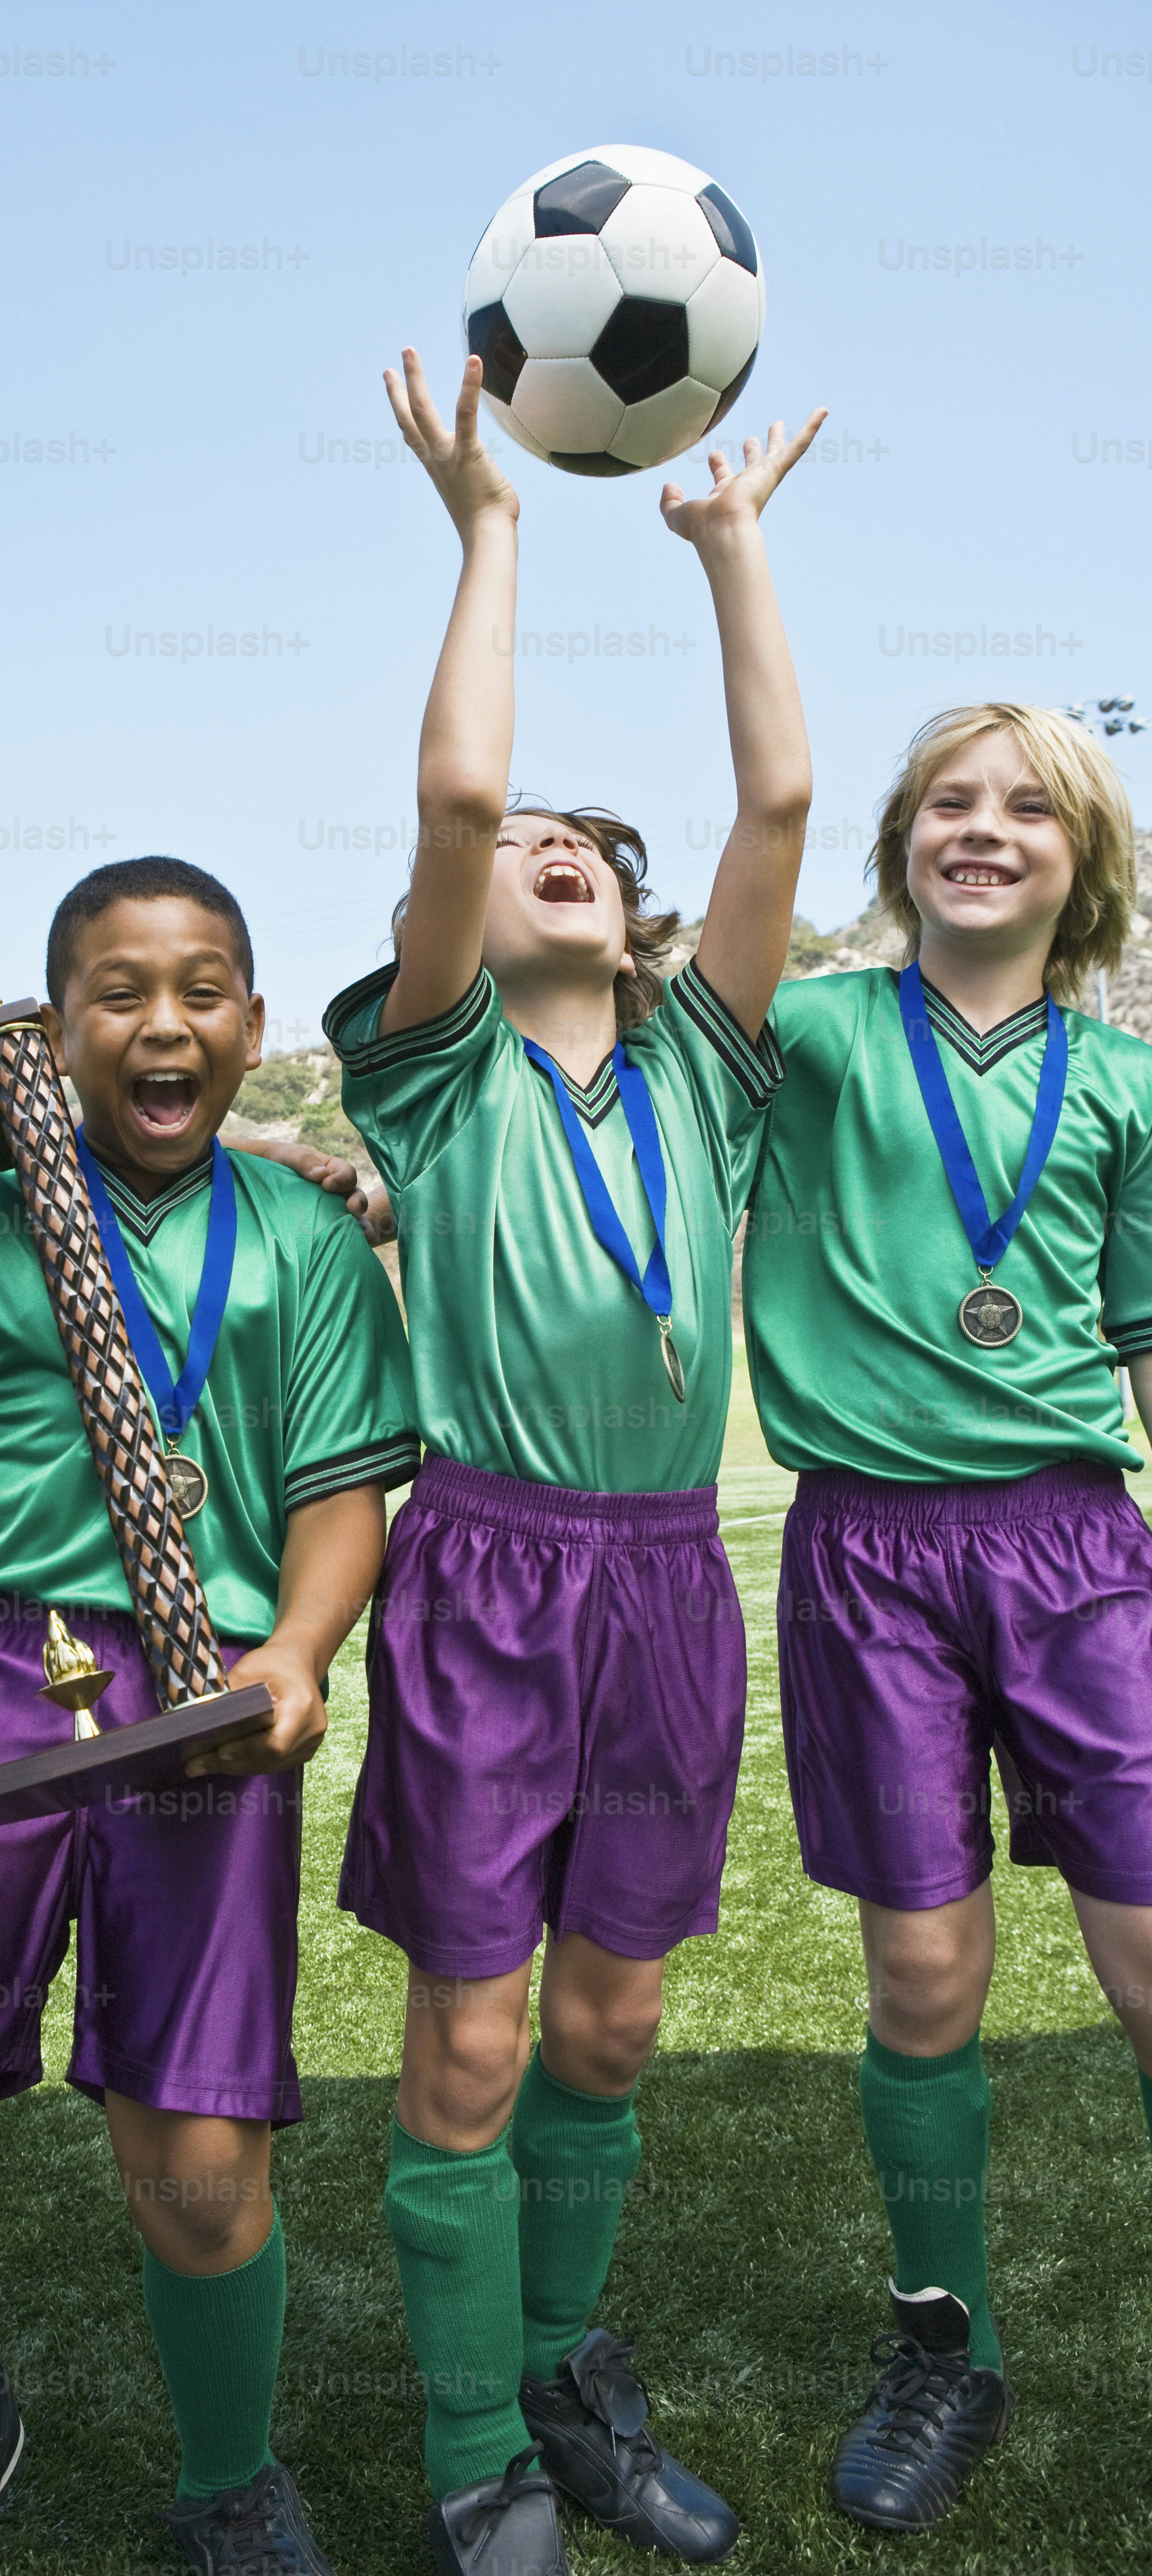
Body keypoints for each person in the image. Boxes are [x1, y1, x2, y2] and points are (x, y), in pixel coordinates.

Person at [0, 855, 422, 2576]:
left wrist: (302, 1652)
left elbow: (344, 1489)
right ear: (51, 1037)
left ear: (254, 1023)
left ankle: (229, 2478)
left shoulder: (301, 1240)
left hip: (211, 1698)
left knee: (199, 2158)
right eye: (116, 992)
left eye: (201, 986)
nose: (163, 1019)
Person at [322, 351, 821, 2574]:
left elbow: (783, 810)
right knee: (472, 2021)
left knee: (610, 2016)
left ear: (634, 920)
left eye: (593, 855)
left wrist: (727, 551)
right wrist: (495, 532)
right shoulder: (430, 1075)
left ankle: (554, 2365)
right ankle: (464, 2448)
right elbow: (450, 804)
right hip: (487, 1567)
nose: (557, 852)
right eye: (539, 842)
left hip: (658, 1584)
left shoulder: (707, 1067)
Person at [742, 702, 1152, 2531]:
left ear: (1080, 868)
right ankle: (941, 2343)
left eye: (1024, 810)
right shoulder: (814, 1030)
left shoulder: (1126, 1081)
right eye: (945, 802)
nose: (978, 829)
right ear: (898, 836)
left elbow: (1136, 1336)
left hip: (1077, 1552)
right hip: (868, 1558)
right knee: (922, 1974)